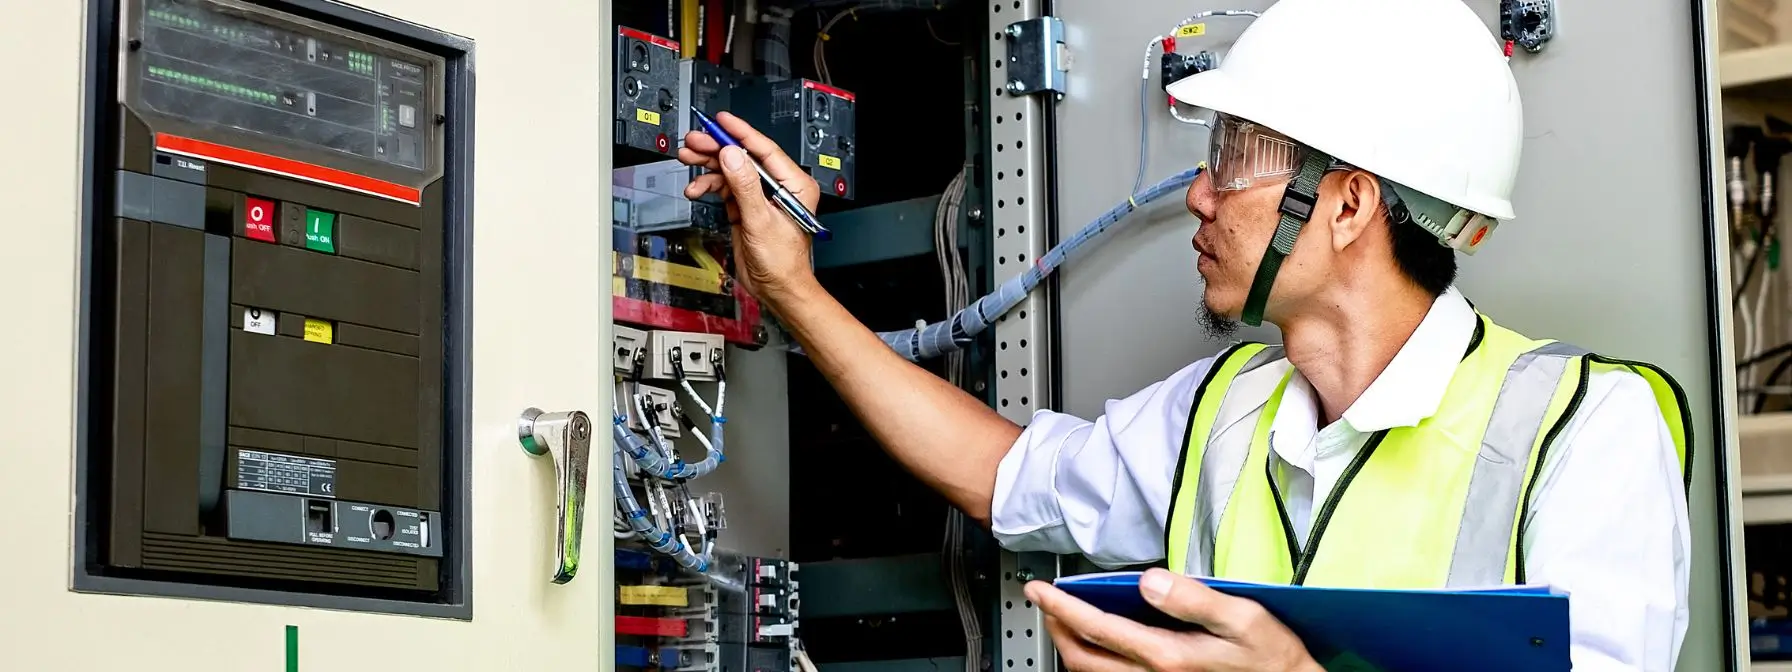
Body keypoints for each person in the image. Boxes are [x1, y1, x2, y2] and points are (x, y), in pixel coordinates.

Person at [676, 0, 1694, 668]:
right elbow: (1005, 476)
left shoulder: (1584, 431)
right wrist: (793, 287)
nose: (1199, 195)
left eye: (1234, 157)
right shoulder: (1228, 410)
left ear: (1346, 205)